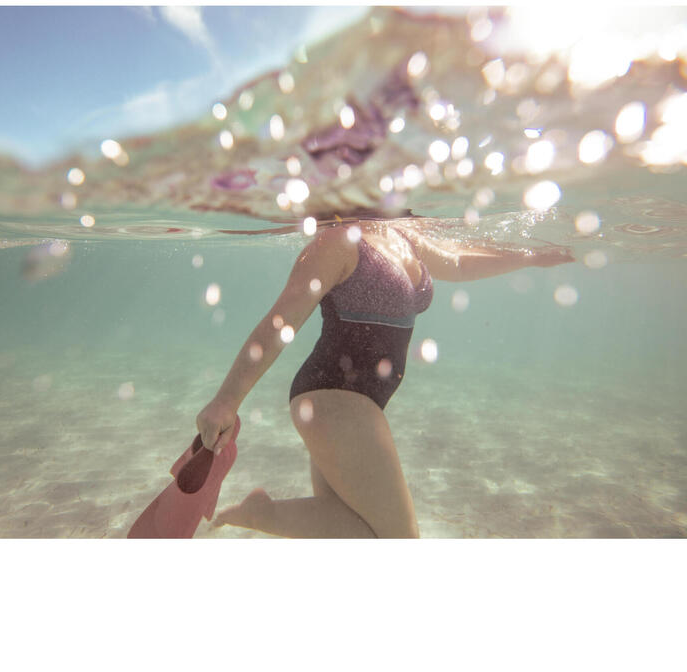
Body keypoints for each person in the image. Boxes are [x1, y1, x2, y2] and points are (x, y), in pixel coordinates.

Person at [195, 216, 574, 538]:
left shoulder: (401, 234)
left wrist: (531, 258)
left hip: (357, 403)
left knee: (355, 526)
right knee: (398, 541)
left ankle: (261, 513)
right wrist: (226, 401)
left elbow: (457, 265)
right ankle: (262, 515)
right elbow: (282, 322)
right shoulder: (337, 242)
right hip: (333, 398)